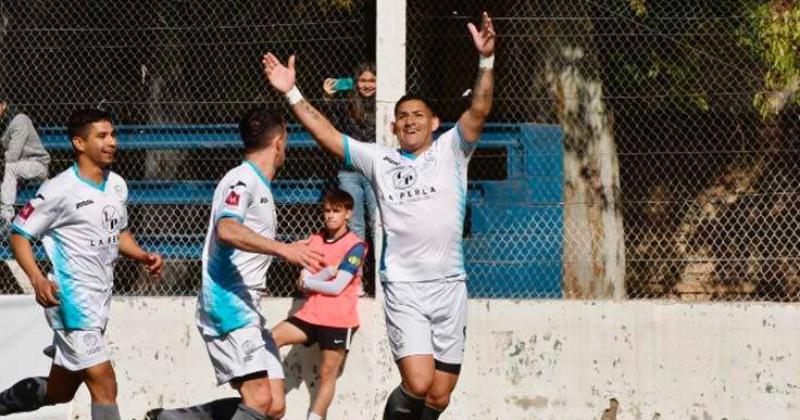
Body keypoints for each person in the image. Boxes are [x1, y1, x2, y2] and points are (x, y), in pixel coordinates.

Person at [263, 11, 496, 420]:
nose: (409, 121)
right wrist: (293, 92)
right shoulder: (380, 159)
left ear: (435, 123)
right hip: (404, 287)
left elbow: (478, 108)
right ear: (393, 126)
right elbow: (328, 134)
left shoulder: (452, 151)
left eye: (418, 115)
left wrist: (486, 61)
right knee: (419, 383)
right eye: (403, 116)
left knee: (440, 396)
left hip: (450, 287)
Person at [147, 107, 323, 420]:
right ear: (280, 141)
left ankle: (170, 419)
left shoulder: (257, 184)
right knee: (257, 400)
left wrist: (286, 248)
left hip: (247, 305)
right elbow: (226, 229)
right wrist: (283, 250)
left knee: (274, 406)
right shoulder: (242, 180)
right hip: (227, 302)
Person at [0, 108, 164, 420]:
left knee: (59, 391)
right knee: (105, 384)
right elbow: (19, 236)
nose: (112, 142)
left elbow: (119, 232)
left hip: (98, 302)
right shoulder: (58, 190)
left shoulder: (116, 185)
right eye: (102, 136)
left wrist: (142, 255)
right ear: (79, 143)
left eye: (112, 134)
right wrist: (37, 279)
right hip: (70, 301)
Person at [271, 187, 367, 420]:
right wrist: (325, 274)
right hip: (310, 314)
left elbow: (336, 288)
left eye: (336, 211)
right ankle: (271, 401)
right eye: (326, 211)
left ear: (348, 214)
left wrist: (314, 280)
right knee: (270, 338)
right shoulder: (316, 239)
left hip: (338, 319)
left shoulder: (356, 245)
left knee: (327, 374)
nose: (330, 215)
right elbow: (302, 282)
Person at [321, 64, 378, 241]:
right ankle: (356, 267)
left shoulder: (385, 105)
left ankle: (380, 268)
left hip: (373, 170)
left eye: (371, 80)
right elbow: (331, 126)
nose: (367, 85)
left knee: (378, 222)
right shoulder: (346, 104)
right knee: (354, 224)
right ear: (355, 82)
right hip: (349, 171)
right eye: (362, 80)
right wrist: (328, 99)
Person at [0, 98, 50, 225]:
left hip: (36, 164)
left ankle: (5, 218)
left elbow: (13, 155)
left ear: (4, 104)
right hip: (17, 166)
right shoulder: (3, 122)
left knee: (10, 167)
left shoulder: (19, 120)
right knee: (10, 168)